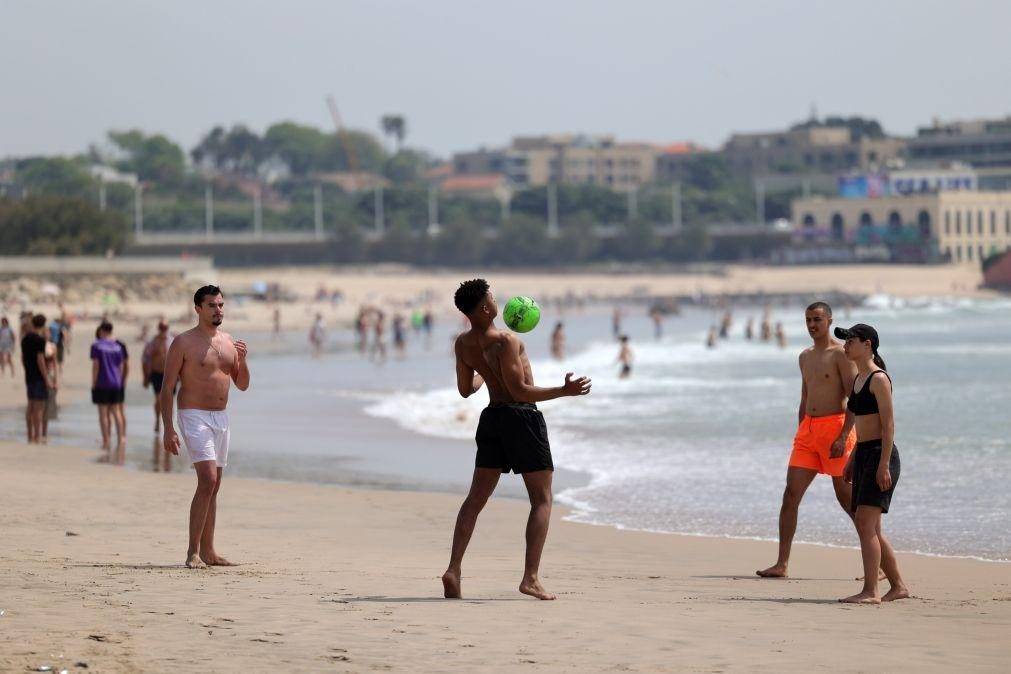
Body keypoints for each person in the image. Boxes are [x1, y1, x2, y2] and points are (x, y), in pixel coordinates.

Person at [442, 279, 591, 600]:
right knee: (542, 499)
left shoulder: (463, 344)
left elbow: (466, 389)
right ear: (485, 308)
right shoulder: (507, 340)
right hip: (521, 418)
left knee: (474, 500)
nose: (497, 302)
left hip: (492, 420)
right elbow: (520, 391)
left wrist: (485, 370)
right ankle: (531, 579)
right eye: (492, 298)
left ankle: (453, 569)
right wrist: (563, 391)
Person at [757, 302, 858, 579]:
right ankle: (782, 564)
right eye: (808, 320)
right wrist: (801, 429)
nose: (812, 325)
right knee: (790, 495)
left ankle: (880, 563)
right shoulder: (804, 356)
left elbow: (854, 398)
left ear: (829, 321)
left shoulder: (841, 354)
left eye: (817, 319)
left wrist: (844, 435)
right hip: (808, 433)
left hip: (836, 429)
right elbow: (805, 397)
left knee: (847, 499)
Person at [161, 285, 250, 569]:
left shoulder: (228, 342)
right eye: (212, 305)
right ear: (198, 309)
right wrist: (168, 428)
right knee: (208, 480)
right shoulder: (183, 343)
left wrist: (243, 360)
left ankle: (209, 551)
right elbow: (166, 389)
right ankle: (192, 552)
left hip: (221, 417)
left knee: (215, 485)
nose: (218, 310)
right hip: (193, 414)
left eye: (221, 305)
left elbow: (243, 384)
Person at [836, 323, 909, 604]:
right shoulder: (858, 379)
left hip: (882, 454)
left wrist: (883, 464)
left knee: (866, 524)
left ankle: (871, 591)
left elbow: (888, 425)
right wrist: (852, 459)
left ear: (868, 345)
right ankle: (899, 586)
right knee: (871, 528)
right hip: (864, 453)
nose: (845, 345)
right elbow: (862, 427)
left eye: (850, 341)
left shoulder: (879, 379)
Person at [91, 322, 126, 453]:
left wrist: (93, 382)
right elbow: (121, 366)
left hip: (102, 382)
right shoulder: (117, 347)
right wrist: (120, 380)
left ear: (101, 331)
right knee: (116, 412)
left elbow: (96, 365)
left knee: (103, 413)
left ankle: (106, 440)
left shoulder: (97, 345)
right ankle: (121, 438)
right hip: (116, 382)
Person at [22, 314, 53, 443]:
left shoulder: (25, 339)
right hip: (39, 376)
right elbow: (40, 360)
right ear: (43, 325)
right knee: (39, 407)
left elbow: (23, 358)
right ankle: (37, 435)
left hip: (29, 375)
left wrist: (27, 369)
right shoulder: (40, 341)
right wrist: (47, 378)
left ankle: (30, 434)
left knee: (30, 405)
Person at [143, 321, 173, 432]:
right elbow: (145, 360)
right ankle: (157, 420)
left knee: (169, 400)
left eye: (165, 328)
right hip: (156, 373)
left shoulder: (172, 341)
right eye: (161, 328)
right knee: (159, 399)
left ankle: (168, 425)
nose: (163, 330)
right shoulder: (152, 342)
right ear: (158, 328)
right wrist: (145, 377)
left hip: (170, 374)